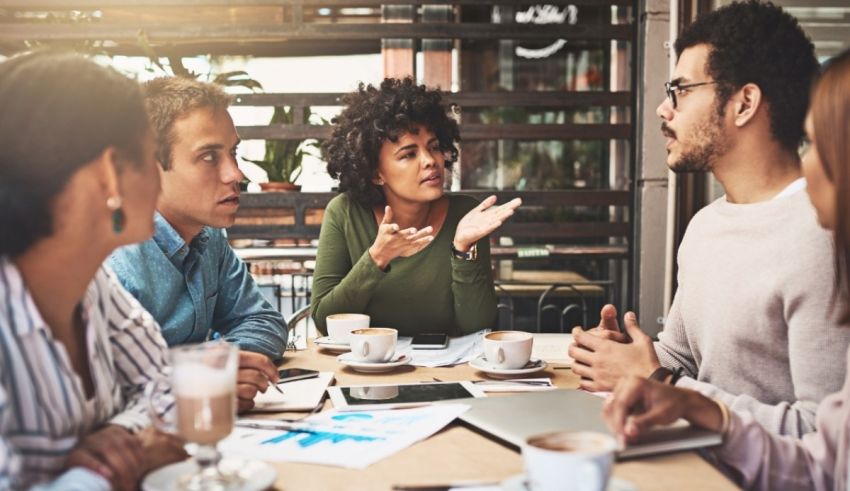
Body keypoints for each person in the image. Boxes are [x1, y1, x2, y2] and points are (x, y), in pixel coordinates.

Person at [569, 0, 850, 437]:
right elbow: (681, 360)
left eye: (680, 90)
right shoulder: (705, 225)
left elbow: (823, 439)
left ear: (744, 103)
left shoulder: (823, 236)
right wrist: (625, 356)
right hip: (690, 461)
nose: (664, 110)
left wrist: (660, 381)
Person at [0, 51, 186, 490]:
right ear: (111, 172)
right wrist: (108, 470)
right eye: (151, 157)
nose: (159, 181)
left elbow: (168, 385)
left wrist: (119, 438)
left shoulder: (93, 285)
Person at [108, 77, 285, 412]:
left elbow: (263, 320)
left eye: (233, 153)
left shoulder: (208, 236)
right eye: (208, 157)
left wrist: (222, 365)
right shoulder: (114, 261)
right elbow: (111, 387)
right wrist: (202, 376)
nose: (236, 173)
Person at [312, 77, 521, 336]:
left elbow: (477, 325)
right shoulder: (345, 213)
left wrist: (463, 250)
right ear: (376, 173)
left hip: (446, 371)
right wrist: (376, 259)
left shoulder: (466, 215)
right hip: (367, 369)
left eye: (434, 147)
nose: (430, 161)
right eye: (408, 154)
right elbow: (324, 320)